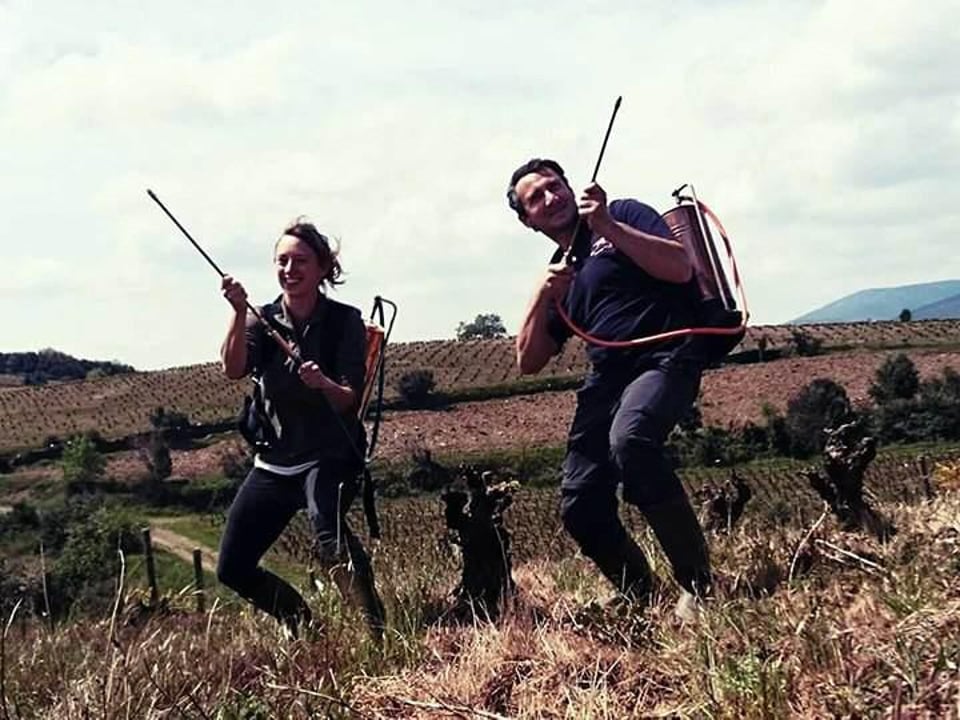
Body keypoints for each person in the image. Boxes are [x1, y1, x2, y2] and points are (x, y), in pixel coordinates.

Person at [507, 158, 712, 620]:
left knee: (631, 440)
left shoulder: (622, 213)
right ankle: (639, 592)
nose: (551, 198)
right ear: (528, 221)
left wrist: (607, 226)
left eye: (555, 186)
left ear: (570, 187)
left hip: (665, 355)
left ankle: (697, 584)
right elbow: (528, 361)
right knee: (580, 504)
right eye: (536, 198)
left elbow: (680, 267)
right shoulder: (559, 274)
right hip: (606, 381)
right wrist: (541, 295)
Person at [217, 219, 385, 640]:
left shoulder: (345, 321)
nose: (290, 270)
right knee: (232, 568)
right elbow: (233, 369)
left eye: (301, 261)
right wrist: (238, 313)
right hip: (274, 462)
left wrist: (323, 383)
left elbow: (349, 399)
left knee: (331, 540)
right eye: (282, 261)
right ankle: (304, 626)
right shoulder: (260, 319)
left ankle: (376, 633)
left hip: (330, 455)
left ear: (323, 267)